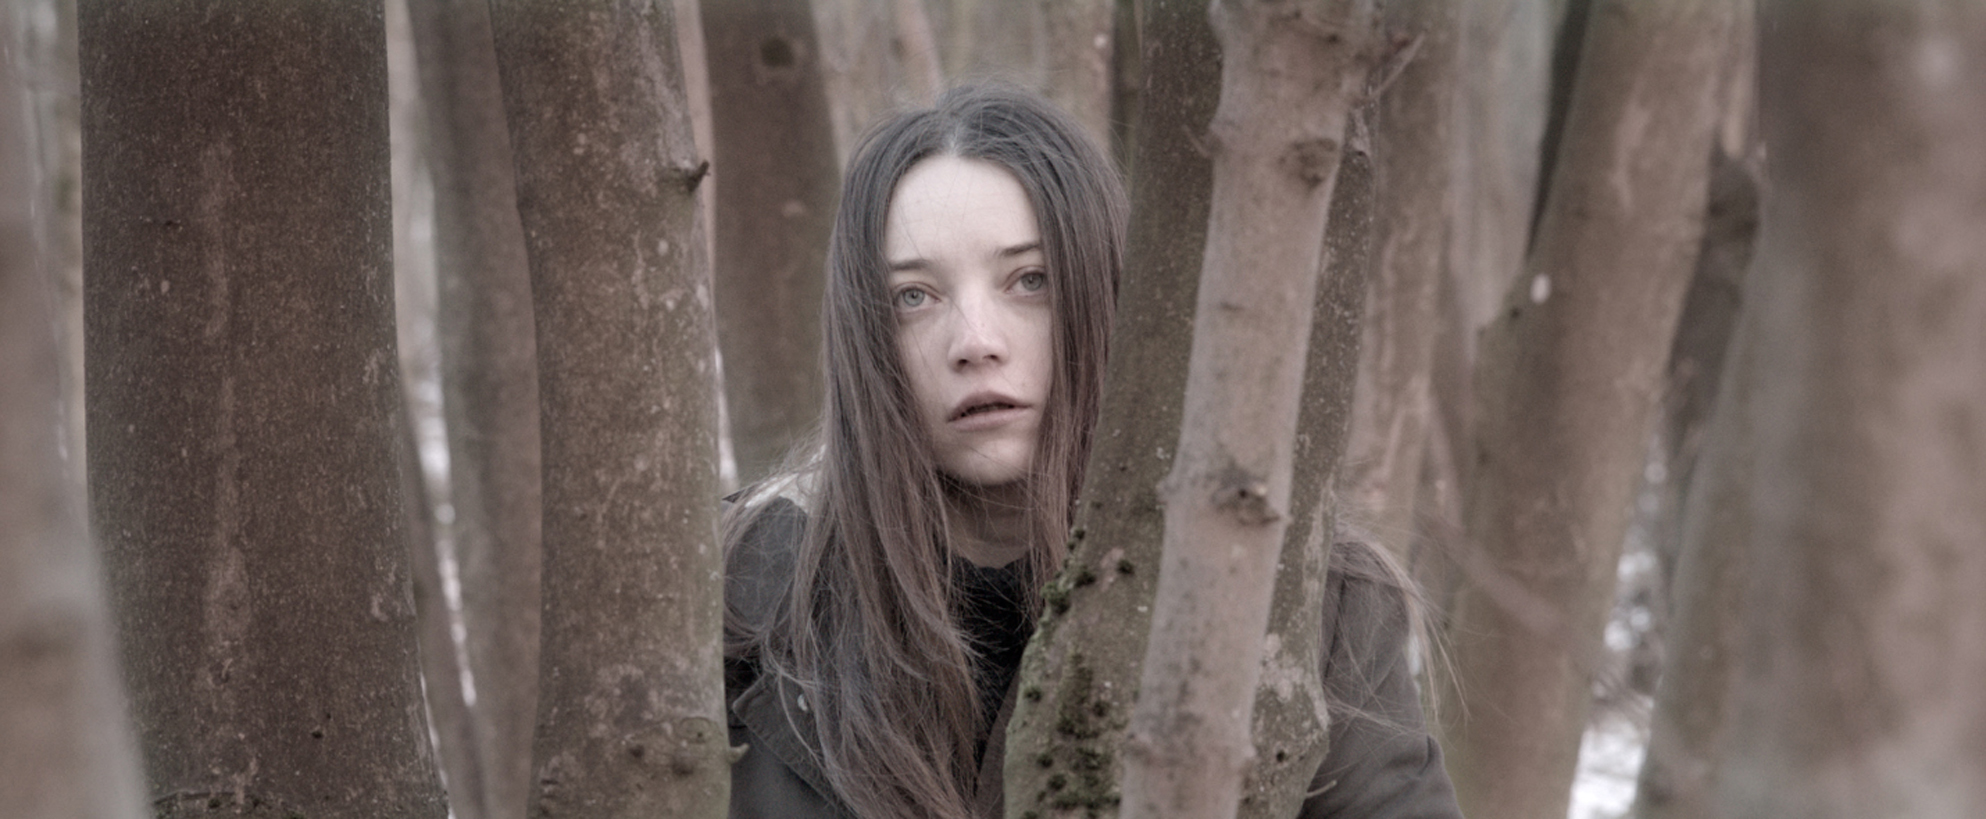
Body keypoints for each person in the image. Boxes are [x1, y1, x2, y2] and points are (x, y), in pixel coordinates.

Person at [721, 85, 1461, 819]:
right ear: (863, 338)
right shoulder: (737, 593)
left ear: (1109, 296)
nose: (975, 341)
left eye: (1030, 280)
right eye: (913, 296)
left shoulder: (1305, 595)